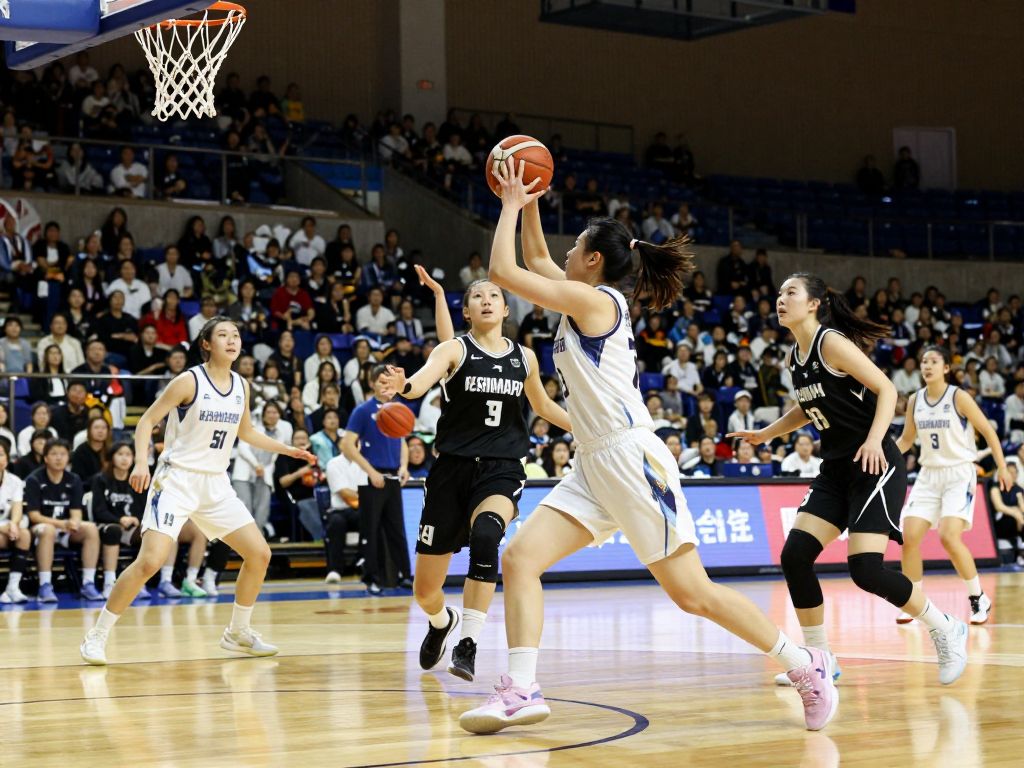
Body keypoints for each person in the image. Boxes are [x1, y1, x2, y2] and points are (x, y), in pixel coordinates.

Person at [458, 158, 837, 735]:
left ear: (593, 261)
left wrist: (509, 202)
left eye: (575, 247)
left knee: (693, 594)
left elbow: (504, 270)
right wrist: (531, 198)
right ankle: (522, 689)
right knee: (520, 559)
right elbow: (534, 259)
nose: (564, 253)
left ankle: (805, 665)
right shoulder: (580, 296)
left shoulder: (600, 302)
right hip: (593, 461)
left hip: (631, 459)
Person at [728, 272, 969, 690]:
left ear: (813, 304)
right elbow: (809, 407)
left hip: (875, 464)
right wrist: (766, 434)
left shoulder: (832, 343)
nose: (781, 299)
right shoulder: (794, 357)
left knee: (866, 570)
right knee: (795, 556)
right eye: (780, 293)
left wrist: (875, 440)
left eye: (790, 293)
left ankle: (945, 626)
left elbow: (887, 389)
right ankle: (821, 660)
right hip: (836, 469)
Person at [79, 317, 316, 665]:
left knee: (259, 554)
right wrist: (141, 463)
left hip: (215, 482)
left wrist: (288, 450)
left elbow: (246, 433)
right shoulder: (189, 380)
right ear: (206, 343)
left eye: (235, 335)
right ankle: (97, 635)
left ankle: (238, 632)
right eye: (223, 335)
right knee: (150, 561)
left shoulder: (242, 385)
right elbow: (146, 421)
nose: (232, 340)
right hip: (176, 479)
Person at [381, 274, 570, 683]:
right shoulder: (453, 349)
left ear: (505, 309)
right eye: (477, 296)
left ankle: (467, 643)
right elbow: (420, 381)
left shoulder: (525, 358)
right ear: (466, 311)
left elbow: (543, 406)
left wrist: (588, 427)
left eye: (494, 295)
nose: (486, 300)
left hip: (502, 468)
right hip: (451, 471)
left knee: (487, 535)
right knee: (425, 591)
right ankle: (441, 622)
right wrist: (403, 385)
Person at [894, 346, 1009, 626]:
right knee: (909, 537)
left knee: (948, 536)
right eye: (924, 361)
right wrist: (881, 457)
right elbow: (907, 439)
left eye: (934, 361)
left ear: (946, 368)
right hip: (928, 475)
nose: (927, 365)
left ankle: (978, 597)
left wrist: (1003, 467)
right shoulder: (915, 400)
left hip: (959, 473)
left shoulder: (958, 397)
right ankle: (915, 603)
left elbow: (988, 430)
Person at [342, 365, 414, 595]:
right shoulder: (362, 411)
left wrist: (404, 466)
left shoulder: (398, 408)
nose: (385, 386)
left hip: (393, 476)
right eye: (381, 382)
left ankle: (404, 575)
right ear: (372, 383)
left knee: (397, 529)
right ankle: (370, 578)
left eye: (389, 382)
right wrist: (371, 472)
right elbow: (347, 445)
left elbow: (402, 441)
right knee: (370, 530)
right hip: (370, 477)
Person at [25, 438, 102, 602]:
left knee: (90, 529)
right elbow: (34, 516)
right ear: (46, 458)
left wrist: (75, 522)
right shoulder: (34, 479)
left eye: (63, 454)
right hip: (39, 529)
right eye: (54, 454)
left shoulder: (74, 479)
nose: (59, 458)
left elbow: (76, 512)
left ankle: (88, 582)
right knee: (48, 530)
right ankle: (45, 585)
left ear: (68, 457)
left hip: (65, 529)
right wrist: (61, 524)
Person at [324, 452, 364, 583]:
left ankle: (365, 563)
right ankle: (334, 570)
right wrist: (363, 496)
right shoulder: (333, 463)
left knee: (371, 519)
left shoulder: (365, 463)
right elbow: (343, 492)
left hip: (361, 509)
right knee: (336, 522)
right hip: (339, 510)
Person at [0, 441, 31, 604]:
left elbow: (17, 507)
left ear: (7, 458)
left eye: (1, 454)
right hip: (2, 528)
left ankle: (12, 587)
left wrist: (13, 524)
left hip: (6, 526)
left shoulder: (15, 481)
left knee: (24, 534)